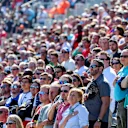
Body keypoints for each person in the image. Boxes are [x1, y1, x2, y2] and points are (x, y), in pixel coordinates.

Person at [85, 59, 110, 128]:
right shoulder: (92, 82)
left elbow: (106, 103)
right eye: (90, 66)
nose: (91, 68)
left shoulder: (103, 83)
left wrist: (99, 120)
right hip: (89, 119)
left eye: (93, 66)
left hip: (97, 121)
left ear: (100, 68)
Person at [114, 49, 128, 128]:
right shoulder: (121, 70)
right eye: (121, 56)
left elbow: (124, 86)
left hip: (125, 103)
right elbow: (115, 84)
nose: (122, 58)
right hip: (118, 103)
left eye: (125, 56)